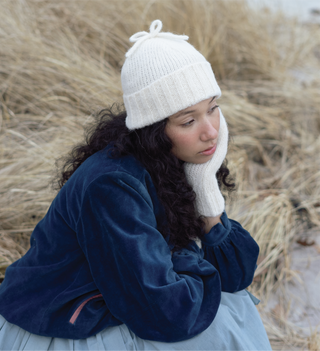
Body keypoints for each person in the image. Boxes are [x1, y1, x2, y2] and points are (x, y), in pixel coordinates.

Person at [0, 20, 272, 351]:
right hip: (54, 328)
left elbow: (237, 275)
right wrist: (185, 265)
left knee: (234, 304)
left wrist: (207, 195)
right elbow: (164, 313)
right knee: (217, 327)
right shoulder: (112, 186)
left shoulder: (174, 162)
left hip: (109, 310)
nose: (211, 131)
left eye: (213, 108)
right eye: (189, 120)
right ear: (154, 128)